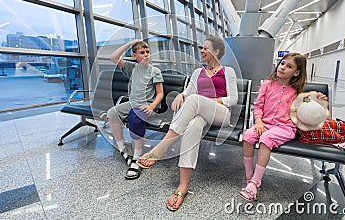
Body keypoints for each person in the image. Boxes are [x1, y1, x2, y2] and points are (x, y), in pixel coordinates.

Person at [136, 36, 238, 211]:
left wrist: (210, 101)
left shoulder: (227, 71)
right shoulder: (198, 72)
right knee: (192, 126)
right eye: (202, 48)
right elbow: (189, 91)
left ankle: (161, 148)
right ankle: (182, 187)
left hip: (220, 114)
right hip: (201, 114)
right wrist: (181, 95)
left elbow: (233, 99)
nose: (202, 51)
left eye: (206, 48)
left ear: (216, 52)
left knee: (195, 100)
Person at [239, 52, 327, 201]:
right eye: (282, 63)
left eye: (289, 66)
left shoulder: (298, 92)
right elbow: (258, 106)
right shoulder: (267, 85)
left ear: (297, 72)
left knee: (266, 139)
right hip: (264, 124)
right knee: (248, 135)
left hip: (285, 128)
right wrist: (258, 121)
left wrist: (319, 99)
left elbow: (309, 105)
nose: (283, 67)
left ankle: (255, 182)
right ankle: (249, 177)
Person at [107, 39, 164, 180]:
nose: (146, 55)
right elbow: (113, 57)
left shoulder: (154, 71)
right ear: (134, 56)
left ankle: (137, 158)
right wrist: (129, 43)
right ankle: (123, 148)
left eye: (147, 52)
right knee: (111, 113)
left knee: (135, 118)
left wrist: (151, 106)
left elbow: (160, 94)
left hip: (147, 105)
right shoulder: (131, 68)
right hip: (133, 103)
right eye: (142, 52)